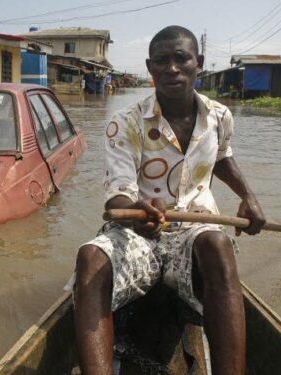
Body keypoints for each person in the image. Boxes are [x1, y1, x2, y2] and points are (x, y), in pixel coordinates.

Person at [71, 25, 266, 375]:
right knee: (90, 258)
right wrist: (135, 213)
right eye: (162, 61)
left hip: (194, 233)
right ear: (150, 67)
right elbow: (118, 192)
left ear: (199, 63)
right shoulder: (125, 122)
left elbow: (220, 157)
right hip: (138, 235)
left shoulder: (220, 117)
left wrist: (248, 197)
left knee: (218, 247)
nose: (172, 68)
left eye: (181, 58)